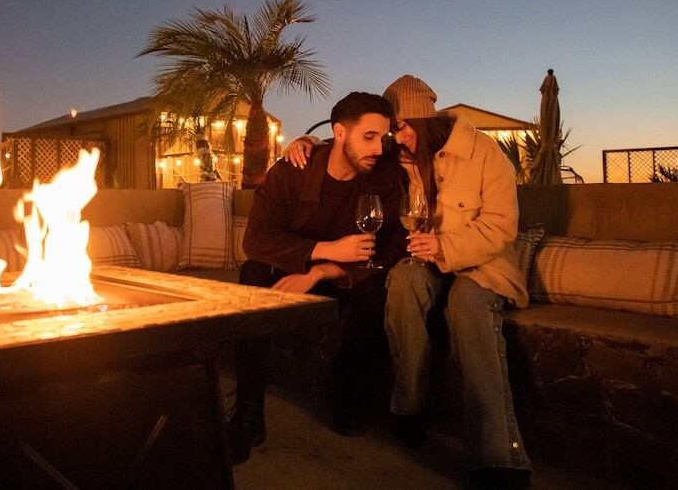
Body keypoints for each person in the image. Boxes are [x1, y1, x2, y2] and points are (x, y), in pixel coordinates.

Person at [284, 76, 532, 489]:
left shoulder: (484, 153)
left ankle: (498, 457)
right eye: (391, 131)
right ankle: (410, 408)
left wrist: (445, 245)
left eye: (401, 127)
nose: (395, 138)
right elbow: (349, 145)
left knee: (467, 306)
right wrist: (306, 143)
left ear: (422, 119)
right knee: (401, 282)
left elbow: (501, 227)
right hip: (425, 260)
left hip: (481, 264)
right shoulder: (399, 155)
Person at [228, 92, 408, 464]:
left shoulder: (384, 176)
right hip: (295, 266)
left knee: (375, 292)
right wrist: (325, 250)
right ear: (340, 133)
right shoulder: (293, 170)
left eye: (384, 137)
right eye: (369, 136)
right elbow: (256, 240)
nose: (379, 148)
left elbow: (390, 247)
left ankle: (346, 397)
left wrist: (324, 270)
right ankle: (248, 411)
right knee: (252, 275)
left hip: (344, 275)